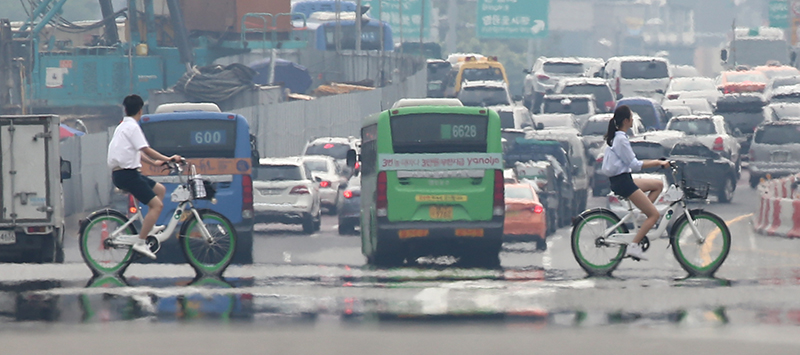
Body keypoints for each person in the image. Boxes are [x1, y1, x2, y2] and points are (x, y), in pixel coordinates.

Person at [107, 95, 181, 259]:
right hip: (127, 175)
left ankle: (149, 227)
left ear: (125, 109)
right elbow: (145, 149)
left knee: (160, 190)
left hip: (125, 173)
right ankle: (140, 242)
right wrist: (167, 159)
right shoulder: (133, 127)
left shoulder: (123, 126)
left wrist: (155, 163)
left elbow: (138, 152)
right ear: (140, 110)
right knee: (157, 206)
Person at [601, 105, 670, 260]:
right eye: (631, 118)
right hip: (623, 182)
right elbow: (635, 164)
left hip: (625, 179)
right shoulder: (620, 140)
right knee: (654, 215)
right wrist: (658, 162)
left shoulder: (620, 137)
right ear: (626, 121)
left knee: (658, 185)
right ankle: (634, 246)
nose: (633, 120)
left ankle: (641, 215)